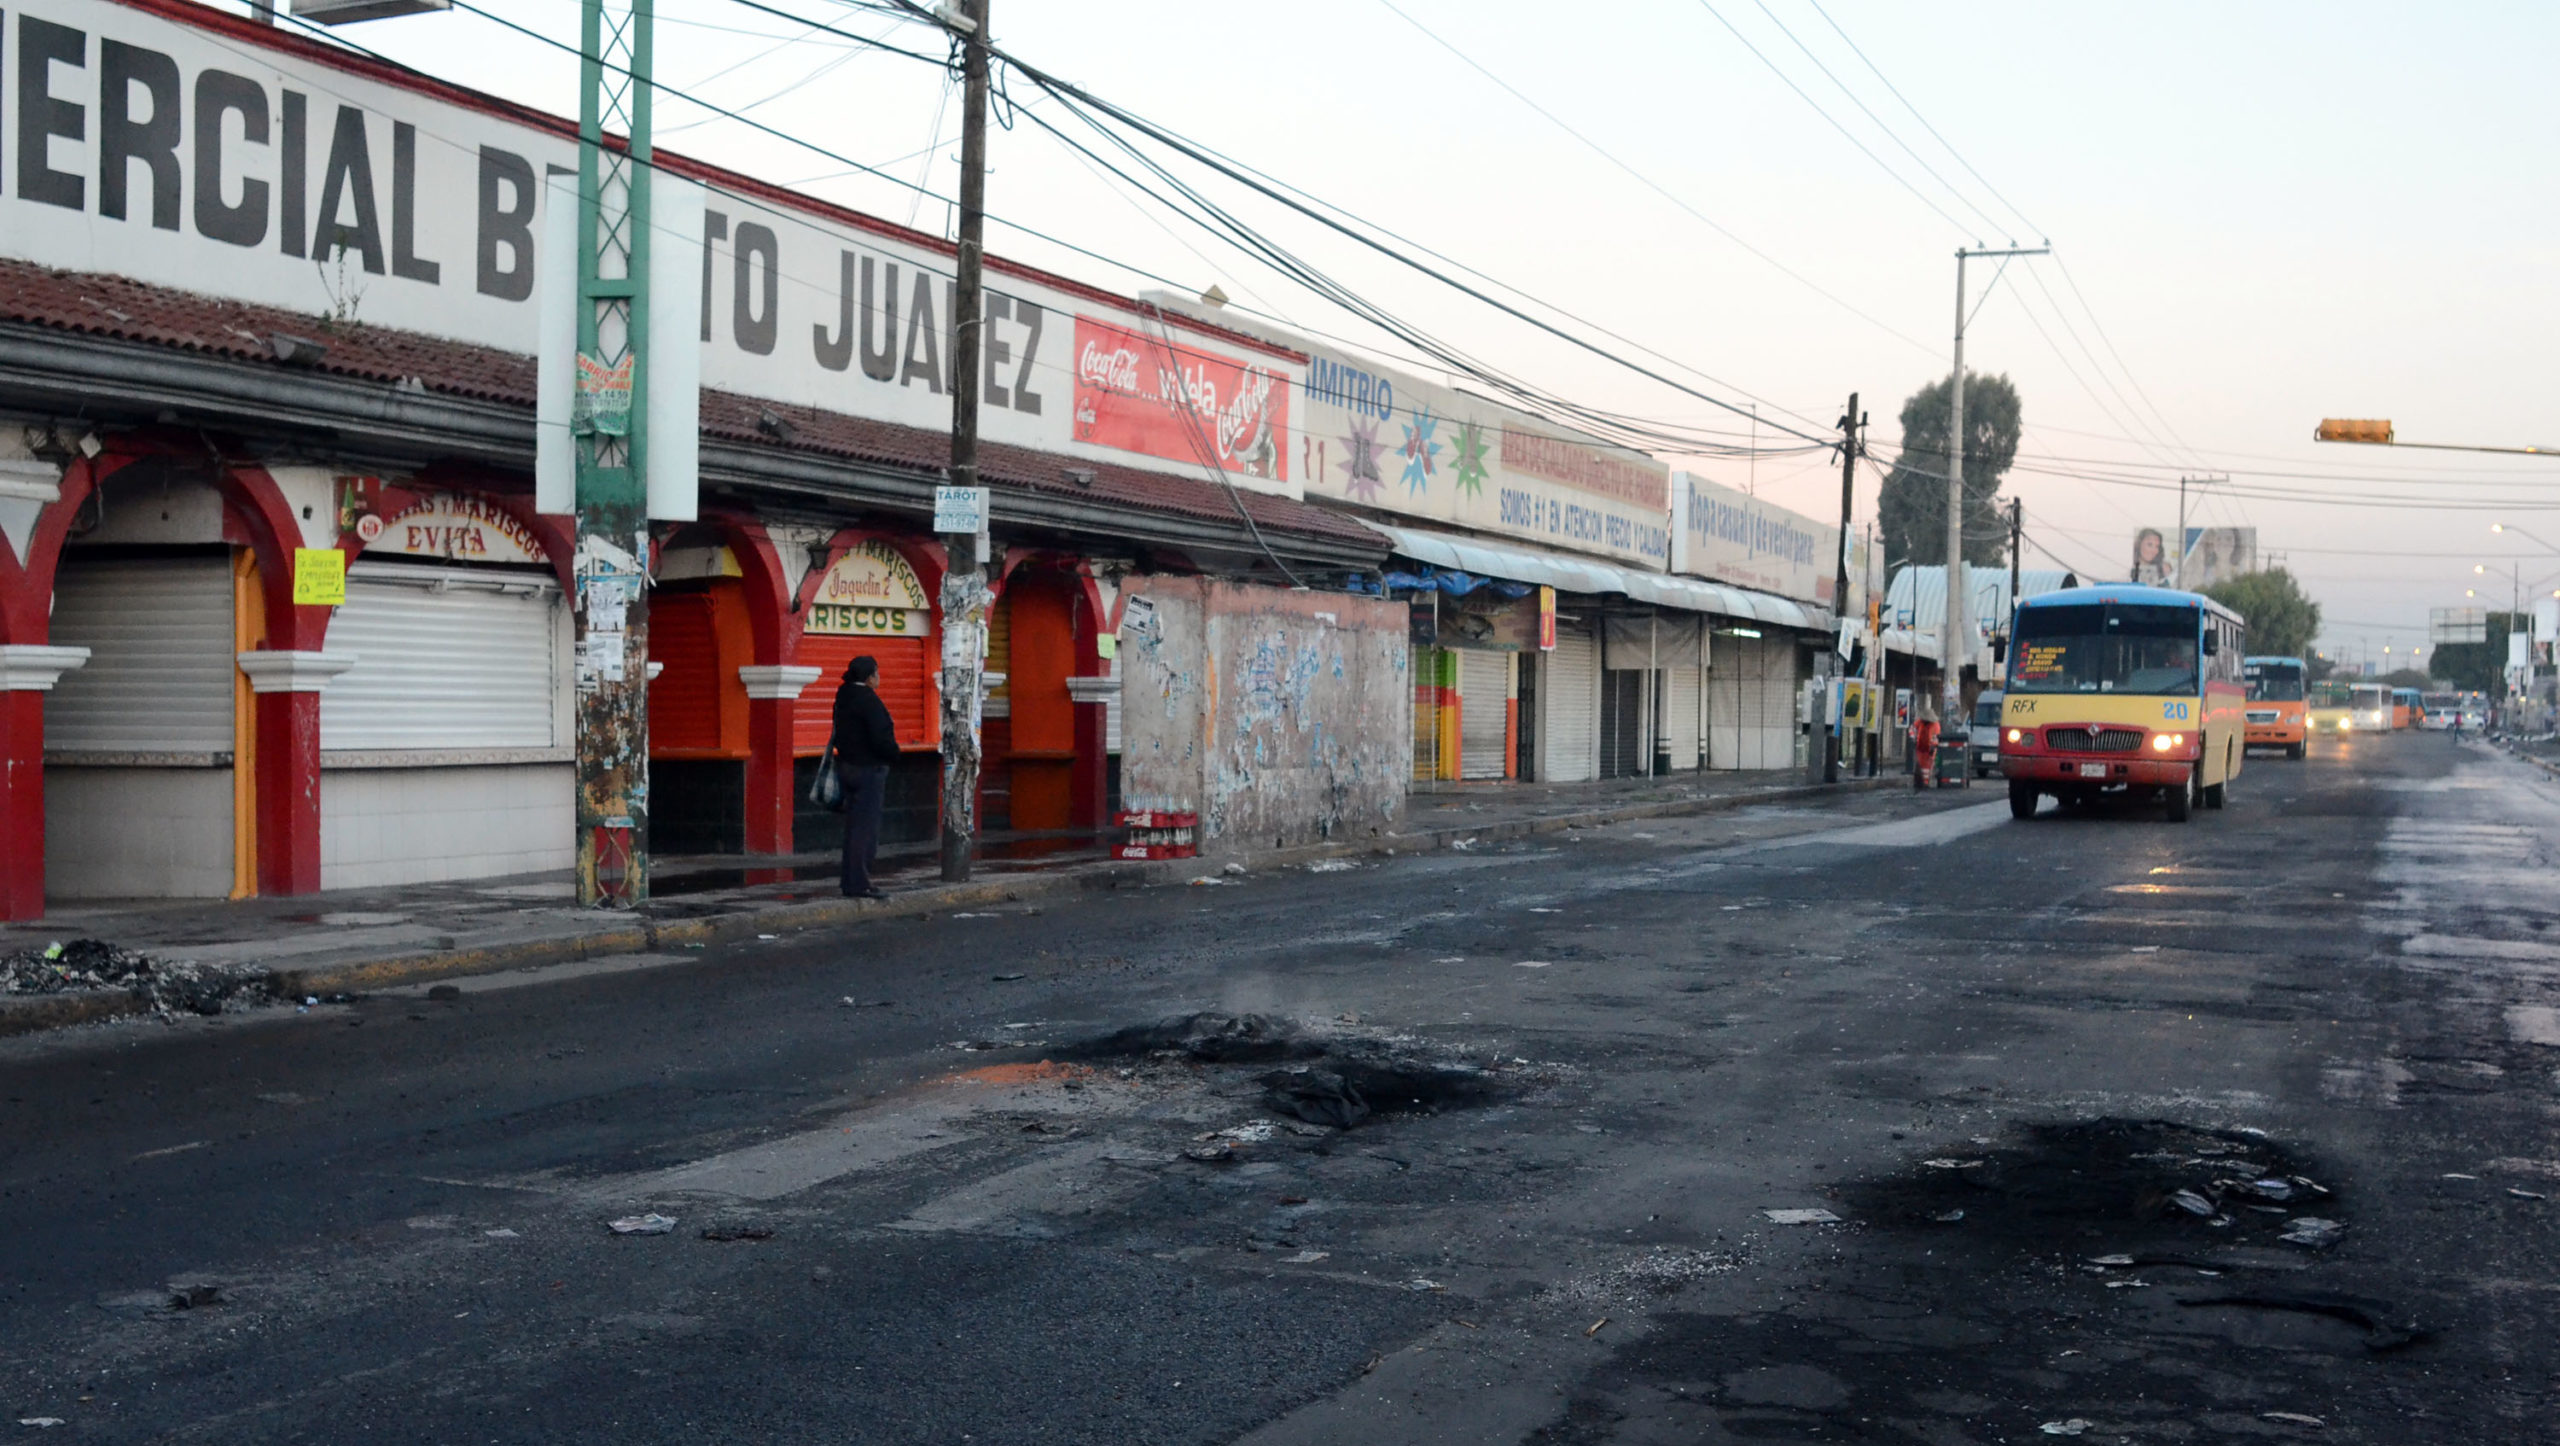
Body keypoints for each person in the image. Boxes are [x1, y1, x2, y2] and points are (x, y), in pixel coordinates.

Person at [831, 655, 900, 899]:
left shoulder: (843, 697)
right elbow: (881, 738)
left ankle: (849, 881)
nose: (879, 678)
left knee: (853, 828)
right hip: (869, 770)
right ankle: (859, 883)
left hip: (847, 767)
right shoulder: (868, 700)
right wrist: (894, 755)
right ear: (870, 677)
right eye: (877, 673)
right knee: (865, 829)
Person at [1911, 695, 1940, 791]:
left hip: (1929, 749)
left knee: (1927, 766)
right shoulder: (1919, 722)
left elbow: (1936, 737)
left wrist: (1933, 746)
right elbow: (1912, 729)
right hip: (1920, 747)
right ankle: (1919, 781)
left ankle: (1925, 782)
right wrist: (1913, 737)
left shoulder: (1935, 725)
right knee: (1920, 764)